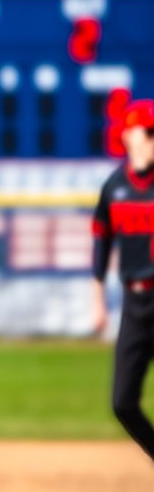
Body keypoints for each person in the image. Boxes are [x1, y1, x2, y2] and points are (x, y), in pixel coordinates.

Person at [90, 98, 154, 462]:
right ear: (129, 135)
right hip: (135, 305)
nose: (152, 139)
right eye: (148, 132)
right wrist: (97, 300)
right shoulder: (115, 186)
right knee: (123, 403)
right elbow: (101, 244)